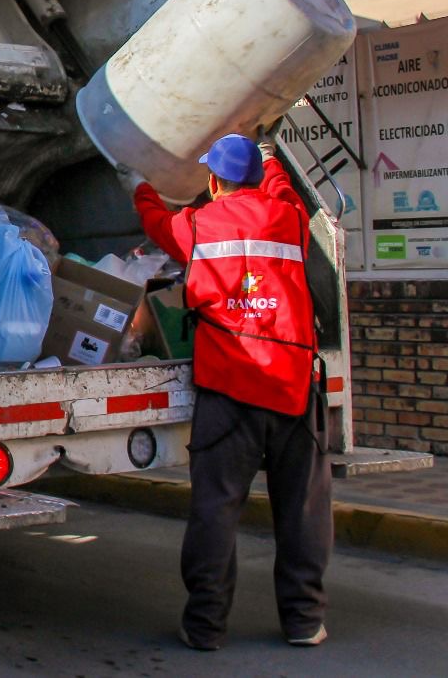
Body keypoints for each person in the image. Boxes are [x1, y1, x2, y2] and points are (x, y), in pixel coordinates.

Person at [117, 133, 330, 651]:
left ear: (214, 181)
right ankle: (304, 622)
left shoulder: (198, 225)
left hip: (230, 389)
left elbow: (156, 225)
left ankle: (206, 625)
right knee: (301, 510)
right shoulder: (290, 218)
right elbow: (281, 188)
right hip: (292, 389)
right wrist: (273, 157)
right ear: (258, 178)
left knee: (216, 508)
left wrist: (139, 185)